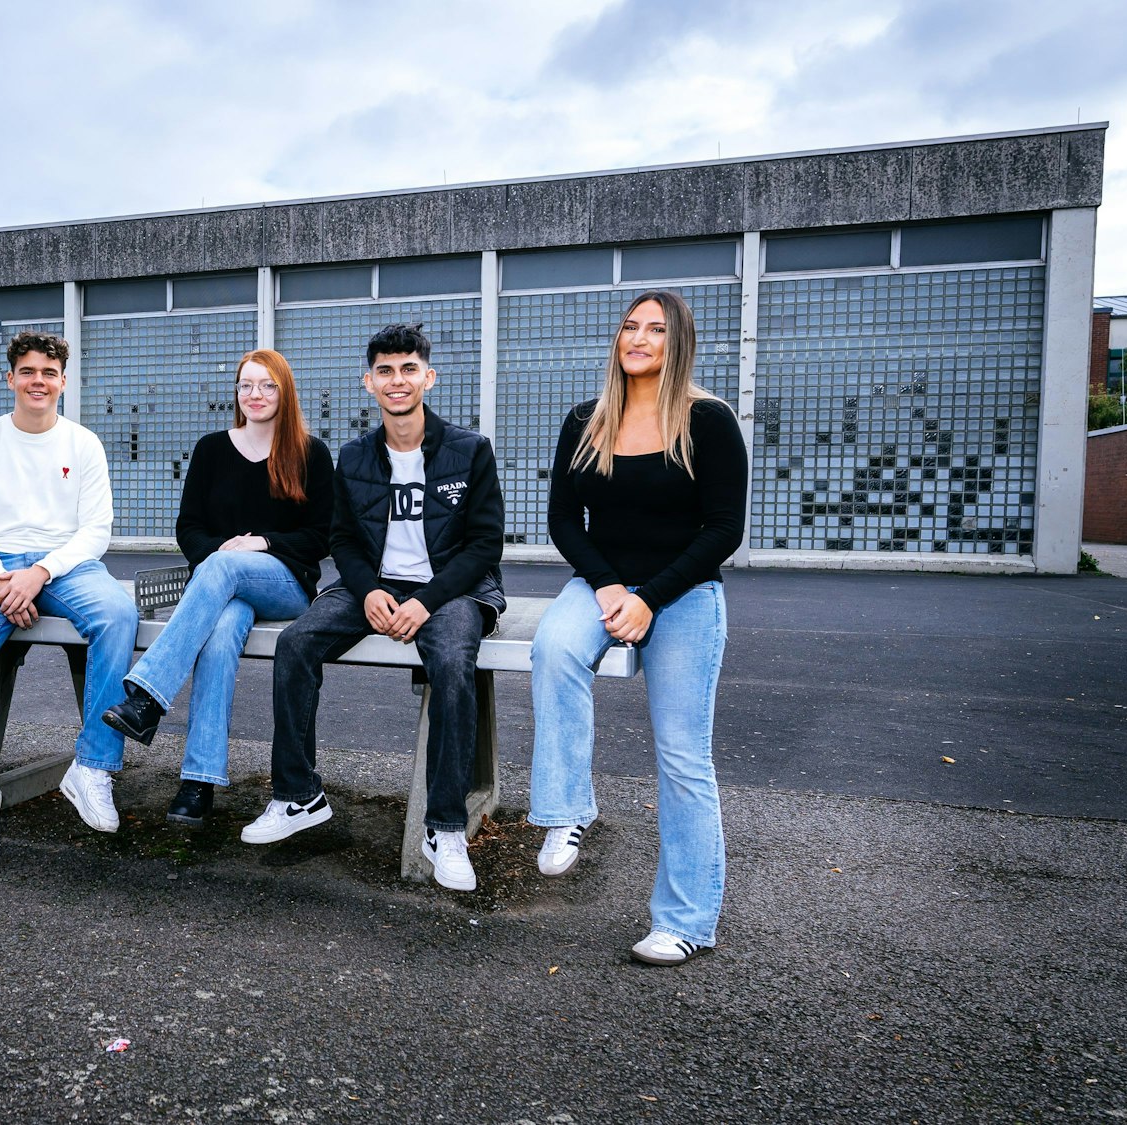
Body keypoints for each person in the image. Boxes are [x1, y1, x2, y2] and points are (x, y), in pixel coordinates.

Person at [240, 322, 505, 893]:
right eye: (385, 370)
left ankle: (446, 827)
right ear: (369, 382)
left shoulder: (469, 450)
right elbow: (344, 541)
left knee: (453, 663)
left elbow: (485, 545)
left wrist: (428, 602)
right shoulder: (356, 457)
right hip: (376, 585)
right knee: (296, 642)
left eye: (409, 368)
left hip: (453, 591)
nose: (398, 379)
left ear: (428, 377)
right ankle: (296, 796)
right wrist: (370, 592)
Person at [527, 290, 747, 965]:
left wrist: (650, 596)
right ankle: (567, 811)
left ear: (678, 341)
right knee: (553, 647)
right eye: (630, 326)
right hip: (603, 585)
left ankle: (684, 919)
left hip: (683, 592)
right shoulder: (584, 421)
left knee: (681, 757)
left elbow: (723, 531)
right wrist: (610, 585)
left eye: (655, 329)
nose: (639, 338)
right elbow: (565, 521)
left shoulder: (709, 420)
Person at [0, 331, 138, 872]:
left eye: (48, 373)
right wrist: (3, 580)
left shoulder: (83, 444)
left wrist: (41, 572)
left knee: (117, 614)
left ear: (63, 383)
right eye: (28, 372)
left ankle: (92, 766)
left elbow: (96, 531)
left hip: (65, 563)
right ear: (11, 380)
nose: (38, 382)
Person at [101, 350, 334, 827]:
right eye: (246, 385)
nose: (256, 395)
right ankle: (199, 780)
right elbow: (189, 529)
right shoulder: (211, 449)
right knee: (222, 628)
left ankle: (146, 697)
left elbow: (323, 535)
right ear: (236, 392)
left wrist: (261, 543)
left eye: (267, 386)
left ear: (284, 391)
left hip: (286, 583)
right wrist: (223, 549)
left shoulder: (310, 452)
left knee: (225, 569)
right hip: (223, 588)